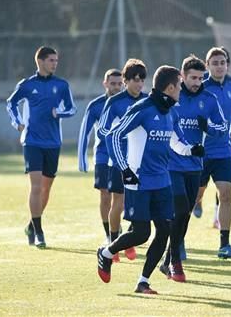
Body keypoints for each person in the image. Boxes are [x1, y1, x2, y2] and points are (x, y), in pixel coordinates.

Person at [97, 65, 202, 294]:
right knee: (141, 233)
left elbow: (177, 143)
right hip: (138, 180)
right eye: (180, 87)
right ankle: (106, 252)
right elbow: (113, 136)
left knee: (164, 230)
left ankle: (143, 281)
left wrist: (192, 150)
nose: (181, 91)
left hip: (163, 181)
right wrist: (124, 168)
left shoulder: (171, 111)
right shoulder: (142, 109)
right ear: (171, 87)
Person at [159, 55, 226, 282]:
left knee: (185, 214)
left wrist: (209, 126)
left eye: (200, 77)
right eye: (193, 78)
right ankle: (175, 261)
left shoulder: (209, 99)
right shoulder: (173, 97)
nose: (197, 82)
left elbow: (222, 126)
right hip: (171, 165)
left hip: (195, 165)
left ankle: (168, 258)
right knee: (178, 209)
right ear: (183, 76)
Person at [6, 46, 77, 248]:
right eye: (51, 60)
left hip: (53, 143)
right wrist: (17, 122)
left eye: (56, 60)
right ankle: (39, 232)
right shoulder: (27, 85)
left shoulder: (62, 85)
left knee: (46, 189)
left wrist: (59, 113)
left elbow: (72, 108)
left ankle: (31, 224)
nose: (55, 63)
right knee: (36, 186)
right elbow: (11, 103)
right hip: (32, 141)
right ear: (40, 61)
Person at [97, 59, 148, 262]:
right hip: (118, 162)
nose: (139, 84)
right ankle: (114, 243)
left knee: (137, 202)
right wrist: (120, 134)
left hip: (141, 163)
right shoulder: (115, 102)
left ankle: (129, 240)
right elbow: (102, 130)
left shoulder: (147, 101)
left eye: (142, 79)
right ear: (126, 81)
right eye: (135, 79)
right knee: (118, 201)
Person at [194, 47, 231, 259]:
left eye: (222, 62)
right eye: (215, 63)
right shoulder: (201, 88)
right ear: (207, 66)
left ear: (227, 64)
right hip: (202, 152)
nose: (219, 66)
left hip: (224, 151)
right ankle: (197, 200)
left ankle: (224, 244)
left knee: (225, 195)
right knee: (197, 192)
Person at [78, 69, 123, 242]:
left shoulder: (129, 102)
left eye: (120, 84)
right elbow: (85, 131)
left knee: (125, 197)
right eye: (113, 83)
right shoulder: (96, 105)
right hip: (103, 156)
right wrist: (82, 159)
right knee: (105, 195)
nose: (117, 87)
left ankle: (122, 227)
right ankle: (109, 235)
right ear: (105, 84)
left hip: (125, 157)